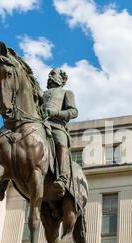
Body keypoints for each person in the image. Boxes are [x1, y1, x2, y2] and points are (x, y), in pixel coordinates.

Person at [41, 68, 78, 196]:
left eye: (53, 74)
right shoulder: (41, 94)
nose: (50, 76)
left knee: (62, 144)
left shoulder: (66, 93)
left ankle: (62, 178)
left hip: (56, 126)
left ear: (62, 79)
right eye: (49, 74)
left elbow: (73, 112)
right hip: (39, 124)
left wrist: (55, 113)